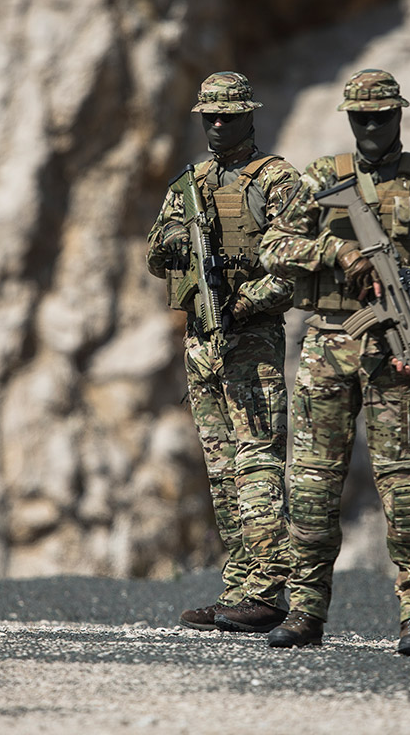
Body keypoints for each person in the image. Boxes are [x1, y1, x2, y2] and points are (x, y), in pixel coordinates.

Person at [257, 69, 410, 656]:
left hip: (397, 357)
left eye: (381, 116)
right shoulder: (324, 178)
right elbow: (274, 247)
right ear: (349, 119)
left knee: (406, 494)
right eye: (361, 117)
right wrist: (339, 250)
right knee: (310, 488)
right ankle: (304, 611)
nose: (372, 126)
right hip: (328, 347)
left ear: (400, 116)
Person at [146, 72, 300, 634]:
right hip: (202, 342)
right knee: (221, 471)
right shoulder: (189, 183)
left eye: (227, 116)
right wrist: (177, 241)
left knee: (257, 462)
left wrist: (245, 298)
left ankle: (268, 591)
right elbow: (156, 257)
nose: (216, 124)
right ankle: (240, 588)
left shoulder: (278, 180)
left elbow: (296, 268)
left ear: (248, 116)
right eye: (208, 116)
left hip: (250, 340)